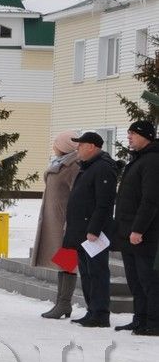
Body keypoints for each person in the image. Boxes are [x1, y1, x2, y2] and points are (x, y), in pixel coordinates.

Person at [62, 131, 117, 327]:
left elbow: (104, 202)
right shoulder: (88, 167)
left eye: (81, 145)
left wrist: (94, 229)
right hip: (81, 231)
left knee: (97, 272)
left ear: (92, 146)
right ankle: (91, 310)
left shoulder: (103, 168)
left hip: (93, 233)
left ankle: (100, 313)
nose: (77, 148)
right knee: (86, 272)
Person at [113, 119, 159, 335]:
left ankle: (154, 322)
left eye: (133, 133)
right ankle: (139, 318)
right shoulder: (138, 160)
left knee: (148, 280)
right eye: (128, 132)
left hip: (144, 235)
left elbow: (150, 199)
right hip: (128, 232)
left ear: (146, 136)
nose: (129, 137)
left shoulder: (152, 161)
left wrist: (138, 229)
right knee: (135, 281)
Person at [35, 131, 83, 318]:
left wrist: (70, 221)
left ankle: (64, 304)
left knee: (68, 262)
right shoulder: (61, 163)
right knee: (63, 263)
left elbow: (76, 196)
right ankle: (61, 302)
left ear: (63, 146)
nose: (53, 147)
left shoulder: (73, 165)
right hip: (54, 220)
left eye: (55, 144)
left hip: (64, 221)